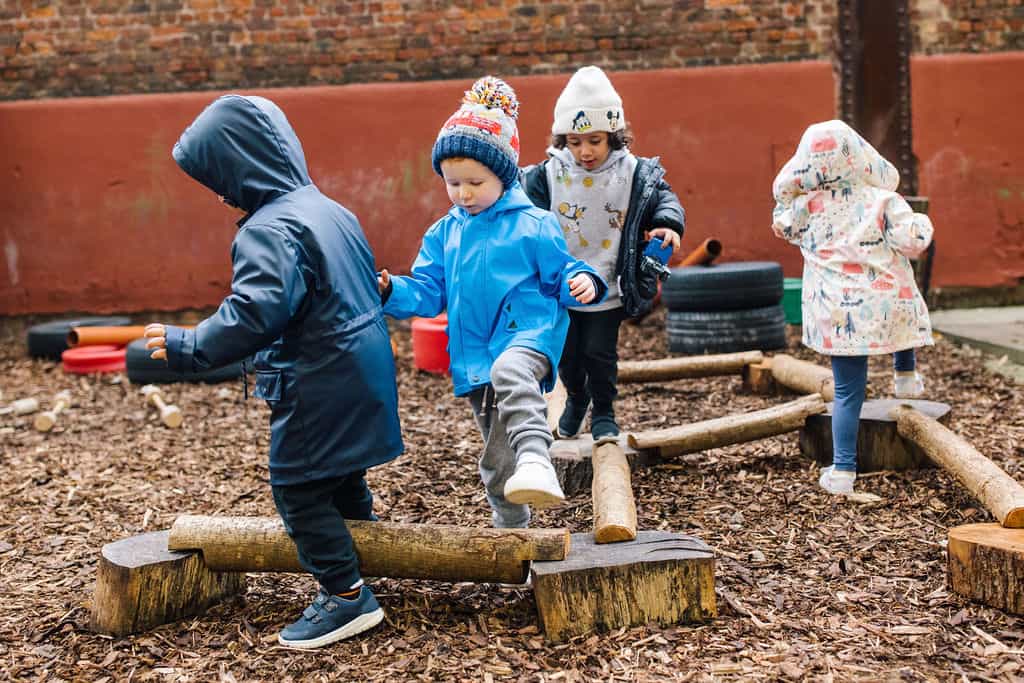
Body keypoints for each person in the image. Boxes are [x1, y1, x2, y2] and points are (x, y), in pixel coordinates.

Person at [143, 94, 403, 648]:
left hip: (318, 380)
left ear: (246, 165)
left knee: (297, 488)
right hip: (365, 368)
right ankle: (368, 553)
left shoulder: (269, 229)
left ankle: (346, 594)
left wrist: (191, 345)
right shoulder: (332, 209)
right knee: (340, 473)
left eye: (219, 176)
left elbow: (255, 313)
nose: (217, 192)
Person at [379, 76, 607, 529]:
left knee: (510, 371)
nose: (463, 193)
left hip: (528, 336)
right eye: (452, 183)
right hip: (474, 360)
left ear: (503, 175)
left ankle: (538, 459)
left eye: (474, 182)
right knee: (496, 461)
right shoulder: (445, 233)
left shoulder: (534, 224)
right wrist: (390, 292)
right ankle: (514, 536)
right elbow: (427, 292)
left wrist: (584, 281)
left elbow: (563, 272)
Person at [522, 65, 685, 443]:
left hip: (608, 283)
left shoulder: (633, 171)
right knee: (567, 356)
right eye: (575, 141)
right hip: (561, 286)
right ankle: (577, 400)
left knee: (599, 354)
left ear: (613, 134)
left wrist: (667, 223)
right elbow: (523, 214)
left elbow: (665, 197)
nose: (585, 151)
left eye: (594, 140)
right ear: (563, 138)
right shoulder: (548, 175)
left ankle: (605, 413)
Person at [771, 119, 933, 495]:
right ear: (860, 155)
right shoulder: (882, 199)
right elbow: (912, 242)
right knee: (899, 296)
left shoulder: (806, 207)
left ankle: (843, 470)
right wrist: (922, 224)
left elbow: (781, 225)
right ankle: (905, 374)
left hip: (837, 312)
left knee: (847, 392)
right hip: (885, 303)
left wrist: (792, 194)